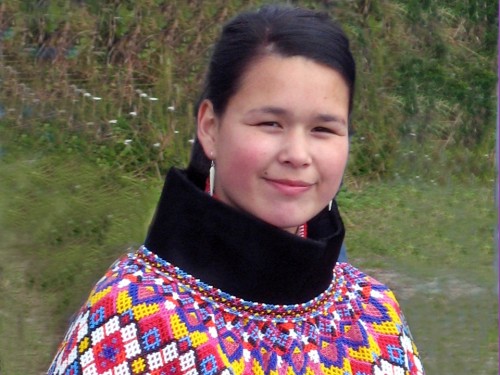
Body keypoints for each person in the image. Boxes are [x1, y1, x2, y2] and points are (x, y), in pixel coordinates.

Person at [48, 5, 424, 374]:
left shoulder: (374, 316)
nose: (297, 154)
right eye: (270, 123)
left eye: (323, 129)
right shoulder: (134, 317)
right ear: (210, 127)